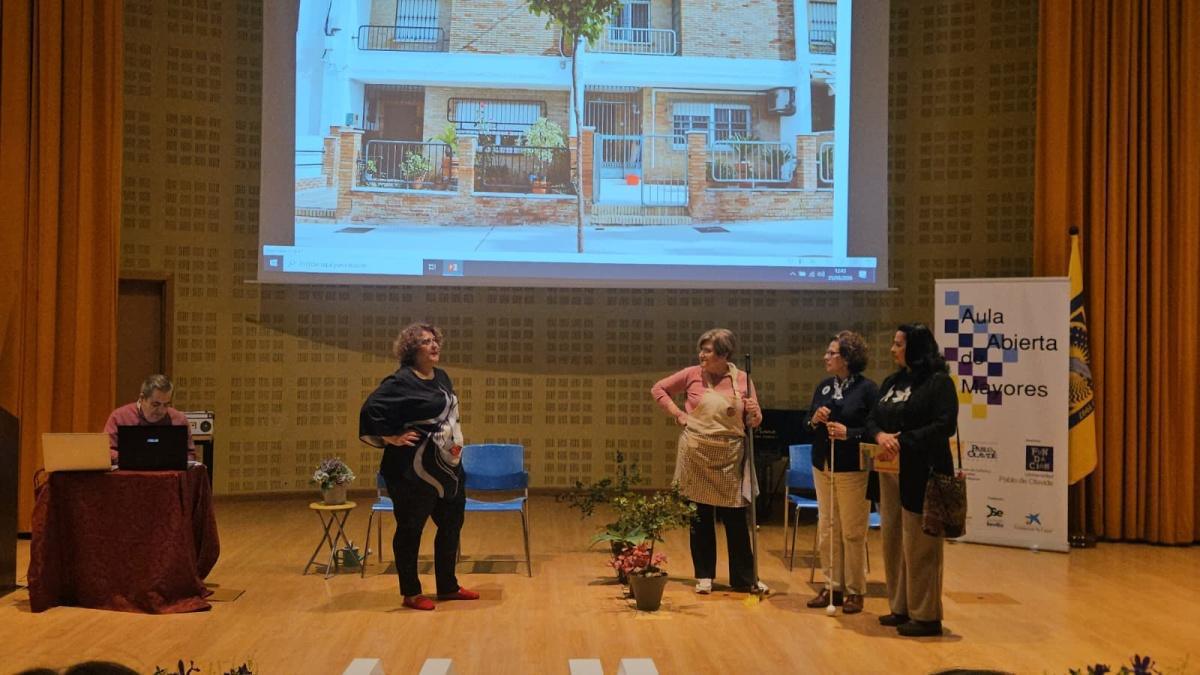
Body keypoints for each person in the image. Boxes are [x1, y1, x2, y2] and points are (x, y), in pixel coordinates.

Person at [359, 322, 478, 611]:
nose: (434, 345)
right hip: (412, 470)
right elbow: (370, 410)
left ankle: (447, 586)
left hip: (447, 468)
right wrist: (391, 437)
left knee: (451, 524)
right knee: (411, 528)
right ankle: (411, 592)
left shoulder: (442, 377)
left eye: (435, 339)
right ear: (412, 349)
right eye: (426, 342)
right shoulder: (400, 382)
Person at [651, 328, 765, 594]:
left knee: (735, 518)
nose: (702, 354)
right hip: (697, 452)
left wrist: (756, 414)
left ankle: (744, 578)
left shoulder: (743, 380)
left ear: (724, 354)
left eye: (708, 350)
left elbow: (753, 422)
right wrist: (678, 414)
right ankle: (704, 575)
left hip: (730, 455)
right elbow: (659, 389)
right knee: (700, 516)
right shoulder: (692, 374)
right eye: (701, 349)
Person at [866, 323, 958, 637]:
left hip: (924, 470)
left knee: (920, 543)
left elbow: (945, 425)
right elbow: (872, 418)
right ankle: (900, 606)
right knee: (892, 537)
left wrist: (902, 440)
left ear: (916, 348)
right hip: (889, 470)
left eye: (898, 344)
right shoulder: (892, 381)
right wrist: (879, 435)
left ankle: (926, 614)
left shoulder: (939, 383)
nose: (892, 349)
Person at [805, 331, 878, 614]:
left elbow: (874, 430)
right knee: (827, 528)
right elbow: (806, 424)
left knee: (852, 531)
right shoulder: (824, 387)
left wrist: (850, 433)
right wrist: (814, 419)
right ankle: (831, 585)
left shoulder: (868, 389)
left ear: (847, 358)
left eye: (831, 353)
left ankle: (855, 590)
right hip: (822, 464)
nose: (826, 357)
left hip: (852, 468)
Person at [103, 374, 195, 464]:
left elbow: (190, 455)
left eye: (166, 404)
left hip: (168, 477)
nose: (161, 411)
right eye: (155, 404)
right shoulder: (120, 417)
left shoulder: (179, 420)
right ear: (142, 398)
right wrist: (133, 459)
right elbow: (106, 451)